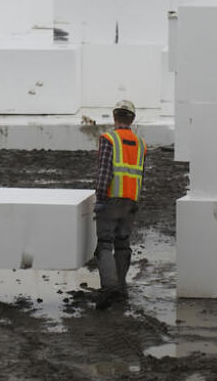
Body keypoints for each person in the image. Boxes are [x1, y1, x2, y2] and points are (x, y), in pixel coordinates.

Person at [92, 100, 146, 309]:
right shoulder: (141, 144)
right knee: (122, 243)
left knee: (104, 244)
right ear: (132, 120)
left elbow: (104, 171)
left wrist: (100, 197)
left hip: (111, 199)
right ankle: (121, 289)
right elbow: (141, 174)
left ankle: (110, 289)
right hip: (130, 201)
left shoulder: (109, 139)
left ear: (114, 117)